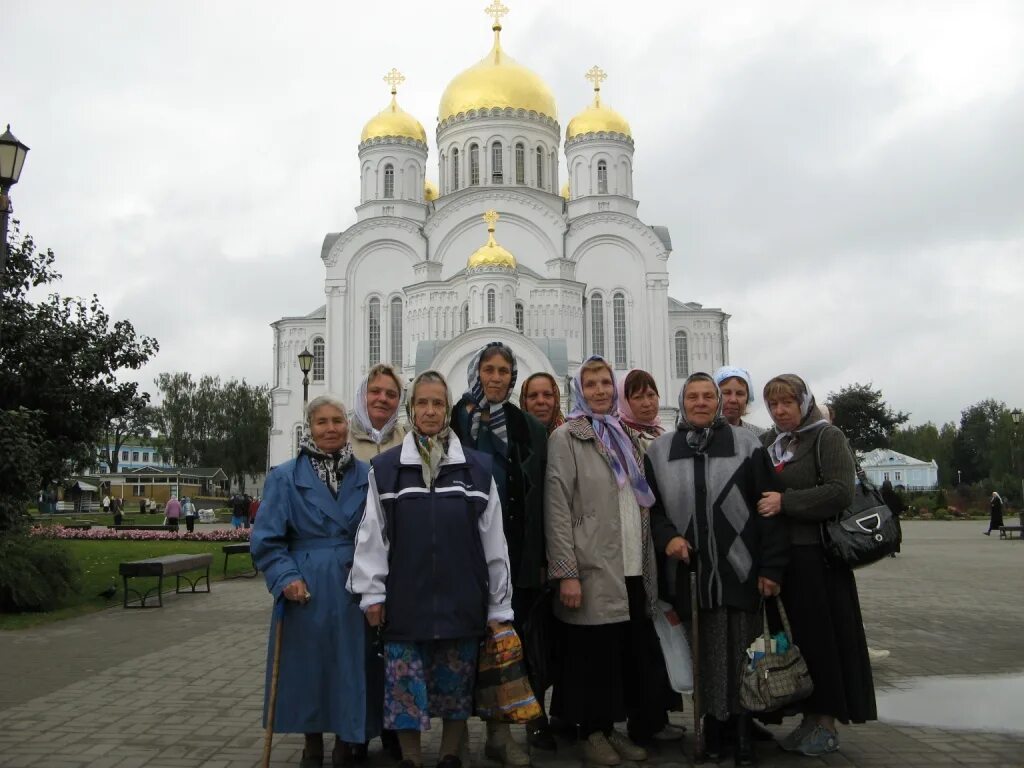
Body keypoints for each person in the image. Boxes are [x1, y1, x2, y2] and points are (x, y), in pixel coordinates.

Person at [349, 370, 513, 768]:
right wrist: (372, 593)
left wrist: (499, 607)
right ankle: (410, 756)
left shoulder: (476, 469)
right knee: (404, 682)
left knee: (456, 682)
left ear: (448, 410)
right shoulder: (388, 469)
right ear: (411, 408)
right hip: (407, 598)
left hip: (461, 598)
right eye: (422, 402)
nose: (429, 410)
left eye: (438, 403)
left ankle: (451, 753)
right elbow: (373, 534)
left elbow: (493, 541)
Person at [647, 373, 788, 765]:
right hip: (692, 576)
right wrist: (668, 538)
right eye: (693, 396)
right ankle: (711, 728)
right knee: (704, 657)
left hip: (739, 570)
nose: (701, 402)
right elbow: (653, 510)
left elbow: (768, 509)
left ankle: (741, 731)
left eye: (708, 395)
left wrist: (772, 568)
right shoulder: (661, 450)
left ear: (719, 402)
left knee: (742, 655)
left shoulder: (747, 445)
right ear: (683, 401)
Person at [545, 355, 671, 766]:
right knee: (590, 654)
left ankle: (610, 729)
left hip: (631, 563)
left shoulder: (624, 435)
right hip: (593, 565)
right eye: (591, 384)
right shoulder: (567, 437)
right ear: (580, 390)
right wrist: (567, 573)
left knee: (620, 653)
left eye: (605, 383)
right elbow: (557, 507)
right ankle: (591, 733)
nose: (600, 390)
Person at [252, 393, 382, 768]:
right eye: (322, 422)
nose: (331, 429)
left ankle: (347, 739)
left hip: (354, 582)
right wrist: (285, 577)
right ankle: (312, 741)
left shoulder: (367, 474)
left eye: (337, 421)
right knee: (310, 666)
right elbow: (267, 539)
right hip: (306, 586)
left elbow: (378, 531)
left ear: (347, 426)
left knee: (351, 664)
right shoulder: (285, 476)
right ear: (309, 428)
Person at [755, 374, 875, 756]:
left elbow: (841, 491)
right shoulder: (771, 444)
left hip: (819, 559)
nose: (780, 411)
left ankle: (826, 723)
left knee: (825, 643)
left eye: (787, 402)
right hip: (785, 559)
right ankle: (809, 717)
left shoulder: (827, 437)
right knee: (798, 642)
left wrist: (785, 502)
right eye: (773, 404)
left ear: (804, 403)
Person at [450, 342, 552, 760]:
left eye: (504, 371)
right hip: (464, 547)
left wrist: (542, 556)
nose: (496, 378)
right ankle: (454, 738)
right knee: (463, 642)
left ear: (513, 377)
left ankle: (500, 734)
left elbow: (543, 491)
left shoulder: (526, 425)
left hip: (513, 548)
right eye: (489, 370)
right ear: (477, 372)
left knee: (508, 641)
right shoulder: (456, 418)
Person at [351, 363, 406, 461]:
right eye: (375, 391)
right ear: (362, 396)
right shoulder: (342, 437)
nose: (383, 399)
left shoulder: (407, 438)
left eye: (391, 394)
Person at [616, 369, 665, 446]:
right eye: (638, 397)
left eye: (651, 395)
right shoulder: (621, 437)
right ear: (624, 402)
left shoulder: (660, 432)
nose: (647, 403)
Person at [713, 366, 766, 437]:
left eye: (740, 394)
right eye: (726, 393)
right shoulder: (700, 436)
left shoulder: (761, 437)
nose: (733, 400)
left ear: (747, 399)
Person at [880, 480, 905, 554]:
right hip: (893, 517)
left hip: (884, 518)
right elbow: (900, 505)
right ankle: (893, 550)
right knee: (894, 533)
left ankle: (886, 550)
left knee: (885, 534)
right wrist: (905, 508)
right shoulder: (894, 495)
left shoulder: (880, 496)